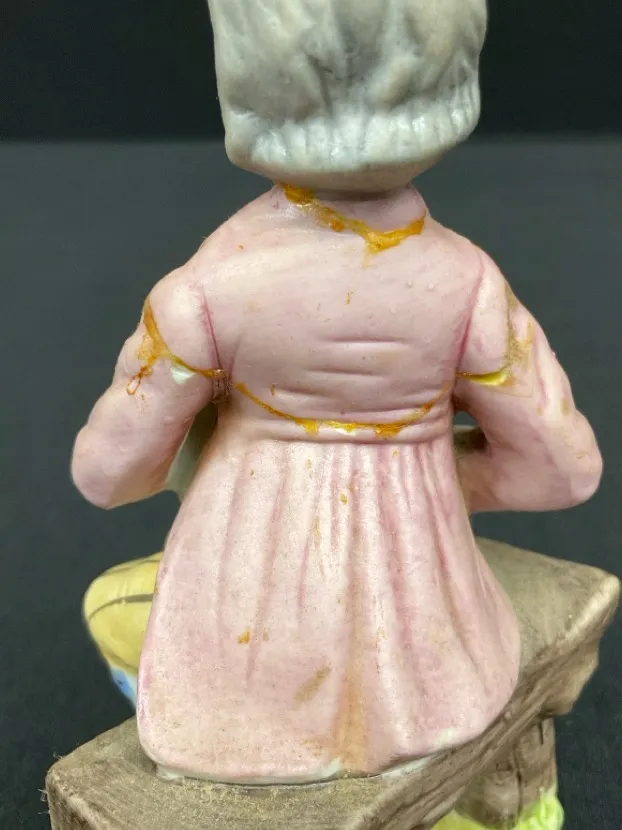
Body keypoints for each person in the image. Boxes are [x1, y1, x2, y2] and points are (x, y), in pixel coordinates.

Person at [73, 0, 601, 784]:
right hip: (433, 658)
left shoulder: (205, 292)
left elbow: (109, 474)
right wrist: (434, 474)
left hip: (238, 635)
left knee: (109, 607)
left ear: (244, 83)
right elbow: (562, 470)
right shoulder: (470, 288)